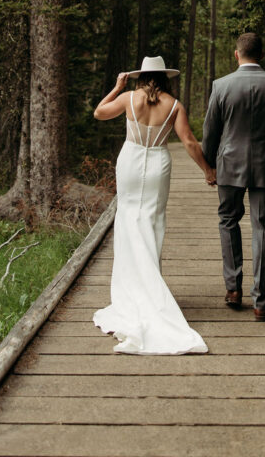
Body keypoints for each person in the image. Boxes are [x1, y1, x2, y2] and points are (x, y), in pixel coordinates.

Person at [92, 54, 215, 354]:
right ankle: (151, 283)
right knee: (152, 221)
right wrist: (208, 170)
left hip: (130, 161)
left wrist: (116, 86)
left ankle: (134, 289)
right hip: (158, 162)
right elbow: (188, 142)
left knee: (127, 220)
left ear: (139, 77)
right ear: (164, 79)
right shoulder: (174, 105)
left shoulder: (127, 98)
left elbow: (98, 113)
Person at [202, 32, 265, 321]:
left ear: (237, 54)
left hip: (229, 164)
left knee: (228, 220)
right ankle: (261, 303)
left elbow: (211, 131)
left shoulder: (221, 86)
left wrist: (210, 167)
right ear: (262, 54)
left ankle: (233, 289)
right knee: (262, 229)